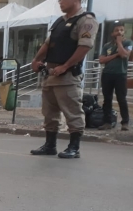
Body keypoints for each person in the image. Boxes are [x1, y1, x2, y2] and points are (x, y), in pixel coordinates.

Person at [29, 0, 97, 158]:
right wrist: (36, 60)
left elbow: (85, 46)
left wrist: (66, 66)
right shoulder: (60, 21)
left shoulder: (86, 20)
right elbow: (48, 44)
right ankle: (50, 145)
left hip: (67, 76)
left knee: (72, 112)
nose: (60, 1)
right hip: (51, 74)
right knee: (49, 113)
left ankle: (74, 147)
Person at [98, 22, 132, 131]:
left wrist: (119, 43)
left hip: (120, 74)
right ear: (113, 33)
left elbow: (124, 54)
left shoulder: (128, 42)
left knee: (121, 99)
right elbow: (102, 60)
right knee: (107, 99)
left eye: (121, 30)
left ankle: (125, 122)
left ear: (124, 32)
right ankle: (107, 122)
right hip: (107, 74)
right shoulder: (107, 45)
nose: (119, 32)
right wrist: (116, 54)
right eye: (117, 30)